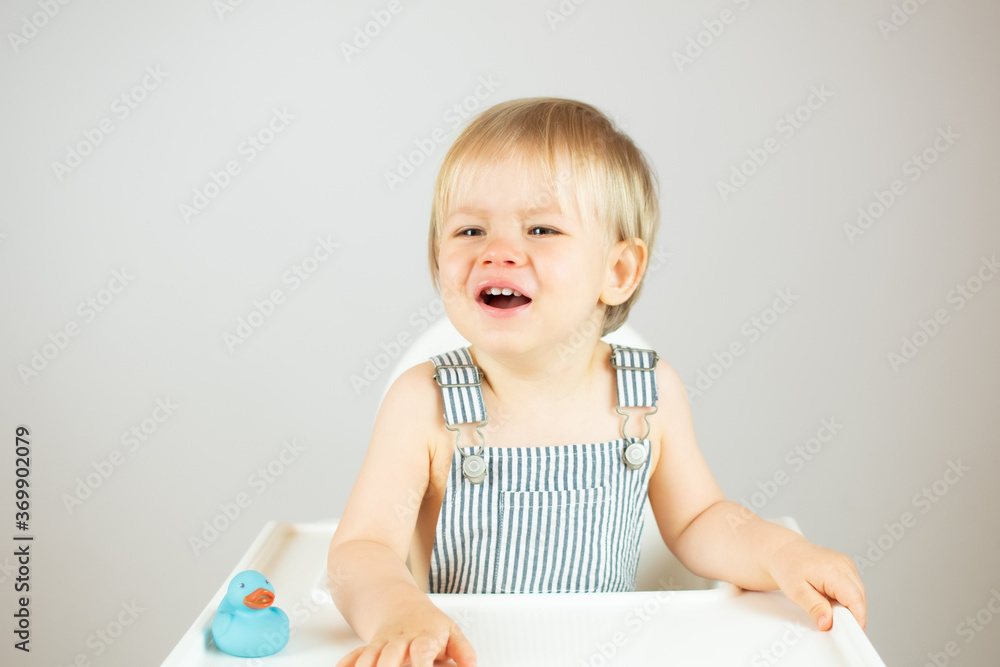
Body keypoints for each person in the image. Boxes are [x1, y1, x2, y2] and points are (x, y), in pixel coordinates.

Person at [327, 97, 866, 667]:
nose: (497, 252)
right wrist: (397, 611)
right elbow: (361, 550)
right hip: (465, 654)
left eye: (541, 228)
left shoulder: (647, 396)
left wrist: (782, 552)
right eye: (469, 229)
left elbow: (700, 521)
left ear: (618, 272)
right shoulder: (424, 403)